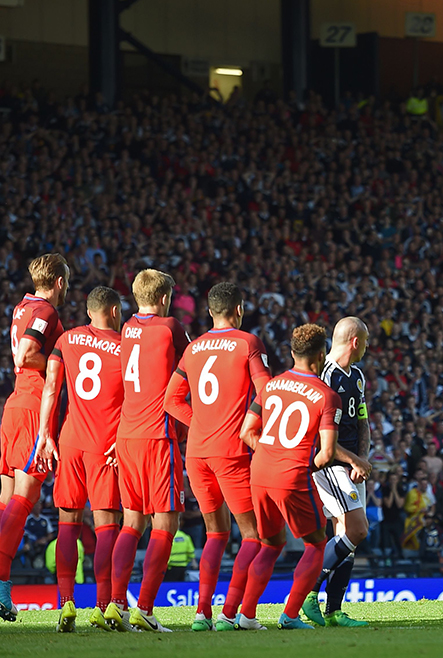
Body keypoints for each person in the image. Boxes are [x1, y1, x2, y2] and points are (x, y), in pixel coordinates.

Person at [164, 282, 270, 631]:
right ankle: (229, 613)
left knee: (215, 534)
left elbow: (171, 400)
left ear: (209, 312)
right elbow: (266, 392)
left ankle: (201, 614)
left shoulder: (193, 348)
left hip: (197, 453)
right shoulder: (248, 343)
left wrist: (199, 423)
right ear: (239, 309)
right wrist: (250, 425)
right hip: (231, 451)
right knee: (253, 535)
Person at [0, 254, 69, 623]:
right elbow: (26, 353)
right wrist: (58, 362)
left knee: (6, 497)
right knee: (26, 495)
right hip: (34, 405)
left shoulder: (23, 307)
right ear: (59, 281)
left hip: (15, 403)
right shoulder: (46, 310)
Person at [236, 323, 339, 630]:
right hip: (292, 476)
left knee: (270, 544)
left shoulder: (271, 385)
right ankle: (290, 615)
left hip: (259, 472)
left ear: (293, 353)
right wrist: (298, 465)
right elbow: (327, 453)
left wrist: (271, 455)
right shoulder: (326, 396)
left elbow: (246, 432)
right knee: (316, 544)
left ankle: (246, 615)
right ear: (321, 355)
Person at [34, 287, 125, 632]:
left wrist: (45, 434)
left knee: (68, 525)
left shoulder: (67, 339)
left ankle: (66, 603)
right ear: (114, 311)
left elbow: (51, 387)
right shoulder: (125, 347)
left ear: (89, 312)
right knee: (106, 527)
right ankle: (102, 607)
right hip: (105, 445)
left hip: (69, 441)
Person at [104, 269, 190, 632]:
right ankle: (146, 608)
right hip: (158, 435)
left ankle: (115, 604)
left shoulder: (126, 329)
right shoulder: (171, 327)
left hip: (127, 434)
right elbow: (194, 365)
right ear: (164, 298)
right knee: (165, 524)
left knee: (132, 522)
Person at [303, 316, 373, 628]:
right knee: (357, 530)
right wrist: (353, 461)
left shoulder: (357, 377)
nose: (367, 347)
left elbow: (362, 422)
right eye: (366, 341)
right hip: (329, 463)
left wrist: (361, 459)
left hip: (353, 465)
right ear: (355, 342)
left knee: (346, 537)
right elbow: (321, 437)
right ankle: (306, 591)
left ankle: (333, 610)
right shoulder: (325, 375)